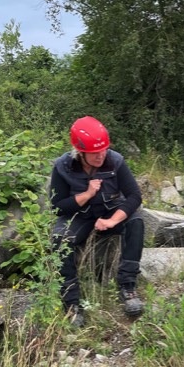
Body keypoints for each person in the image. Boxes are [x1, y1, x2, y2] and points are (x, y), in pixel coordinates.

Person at [50, 116, 145, 326]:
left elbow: (134, 196)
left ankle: (128, 287)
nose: (100, 156)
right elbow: (57, 206)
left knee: (136, 222)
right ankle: (72, 302)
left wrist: (112, 220)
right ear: (80, 152)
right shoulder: (63, 166)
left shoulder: (115, 161)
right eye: (94, 153)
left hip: (109, 212)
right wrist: (86, 194)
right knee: (60, 237)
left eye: (103, 150)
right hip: (80, 217)